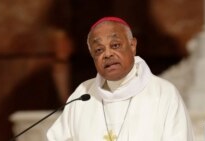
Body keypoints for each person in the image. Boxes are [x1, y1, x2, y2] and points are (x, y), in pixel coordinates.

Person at [47, 17, 194, 141]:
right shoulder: (82, 95)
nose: (108, 54)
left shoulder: (163, 93)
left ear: (132, 46)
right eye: (99, 50)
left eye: (115, 45)